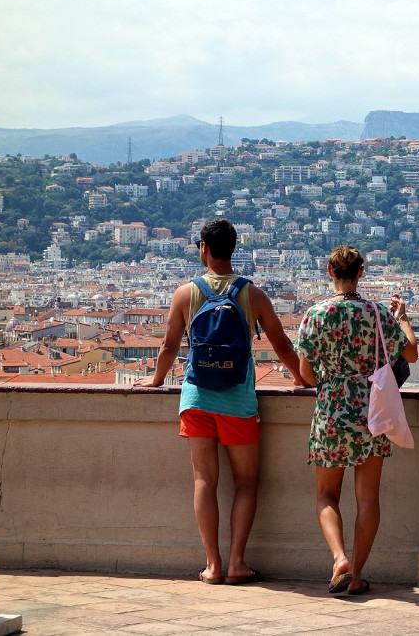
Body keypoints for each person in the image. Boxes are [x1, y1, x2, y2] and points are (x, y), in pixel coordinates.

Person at [135, 218, 308, 585]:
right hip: (237, 400)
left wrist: (155, 380)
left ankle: (211, 565)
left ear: (204, 248)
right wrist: (300, 378)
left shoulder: (185, 293)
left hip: (195, 396)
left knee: (204, 480)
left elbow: (169, 346)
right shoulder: (253, 294)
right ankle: (237, 564)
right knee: (246, 482)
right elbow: (281, 344)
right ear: (233, 249)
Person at [295, 245, 418, 595]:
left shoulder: (315, 315)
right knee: (368, 499)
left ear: (328, 271)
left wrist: (334, 379)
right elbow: (411, 352)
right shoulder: (378, 314)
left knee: (326, 496)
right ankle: (358, 575)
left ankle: (339, 559)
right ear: (361, 272)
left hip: (332, 411)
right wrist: (403, 317)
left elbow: (306, 374)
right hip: (372, 411)